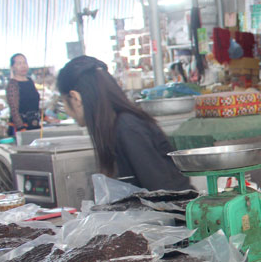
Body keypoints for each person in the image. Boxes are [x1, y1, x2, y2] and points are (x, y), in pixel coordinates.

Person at [57, 55, 191, 191]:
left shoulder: (127, 127)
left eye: (62, 102)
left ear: (75, 98)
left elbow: (161, 190)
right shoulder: (114, 126)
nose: (66, 110)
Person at [6, 53, 41, 135]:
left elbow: (35, 103)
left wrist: (45, 117)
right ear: (12, 67)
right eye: (19, 63)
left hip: (34, 123)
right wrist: (21, 128)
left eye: (24, 63)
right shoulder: (13, 84)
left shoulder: (30, 81)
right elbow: (14, 110)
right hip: (21, 127)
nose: (23, 66)